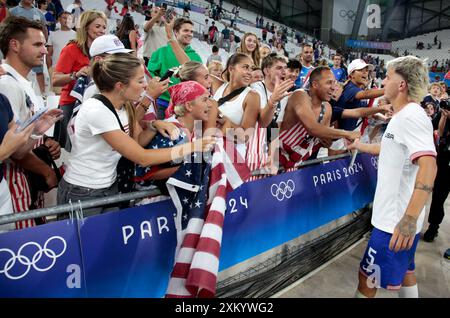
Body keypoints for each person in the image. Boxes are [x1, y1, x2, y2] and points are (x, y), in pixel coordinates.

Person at [57, 53, 215, 216]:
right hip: (82, 190)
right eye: (140, 81)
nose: (145, 85)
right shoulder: (97, 110)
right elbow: (142, 157)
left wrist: (153, 125)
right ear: (120, 86)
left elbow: (137, 140)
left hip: (109, 186)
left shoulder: (125, 106)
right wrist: (192, 147)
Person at [350, 55, 437, 298]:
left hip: (394, 224)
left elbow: (429, 166)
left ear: (401, 85)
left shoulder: (411, 117)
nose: (383, 81)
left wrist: (408, 219)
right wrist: (359, 145)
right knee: (407, 271)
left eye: (388, 77)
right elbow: (390, 148)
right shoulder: (402, 117)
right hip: (398, 221)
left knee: (367, 279)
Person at [0, 16, 63, 228]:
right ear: (14, 45)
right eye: (37, 44)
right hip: (14, 178)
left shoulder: (24, 80)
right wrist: (46, 171)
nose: (45, 50)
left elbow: (25, 131)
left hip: (28, 176)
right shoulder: (7, 85)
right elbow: (14, 150)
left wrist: (42, 139)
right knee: (21, 243)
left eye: (45, 44)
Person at [278, 66, 360, 169]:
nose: (334, 87)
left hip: (300, 165)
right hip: (278, 161)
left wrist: (329, 142)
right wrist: (347, 133)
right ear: (315, 84)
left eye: (334, 83)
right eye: (329, 82)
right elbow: (313, 128)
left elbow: (325, 140)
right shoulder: (300, 95)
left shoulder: (327, 107)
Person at [52, 10, 107, 150]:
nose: (102, 30)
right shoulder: (71, 49)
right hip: (71, 104)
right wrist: (75, 75)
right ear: (86, 27)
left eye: (104, 27)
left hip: (93, 104)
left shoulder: (104, 51)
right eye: (97, 26)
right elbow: (55, 80)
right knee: (72, 149)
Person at [147, 17, 202, 119]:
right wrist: (160, 84)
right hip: (162, 103)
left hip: (185, 108)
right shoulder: (161, 52)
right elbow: (149, 75)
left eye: (191, 31)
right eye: (186, 30)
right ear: (176, 32)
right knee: (158, 133)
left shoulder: (196, 57)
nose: (190, 34)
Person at [422, 106, 450, 242]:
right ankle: (433, 227)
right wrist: (444, 117)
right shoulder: (444, 113)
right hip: (444, 161)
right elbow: (438, 131)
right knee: (438, 197)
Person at [334, 59, 385, 131]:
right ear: (352, 74)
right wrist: (387, 90)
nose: (365, 73)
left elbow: (366, 112)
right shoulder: (349, 88)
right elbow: (366, 94)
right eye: (361, 70)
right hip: (341, 137)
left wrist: (384, 118)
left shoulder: (356, 89)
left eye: (367, 70)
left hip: (347, 135)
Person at [10, 0, 48, 95]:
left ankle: (43, 94)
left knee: (39, 70)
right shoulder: (13, 11)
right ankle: (18, 92)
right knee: (17, 70)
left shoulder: (39, 13)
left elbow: (44, 30)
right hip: (19, 47)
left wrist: (42, 43)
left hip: (36, 46)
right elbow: (8, 29)